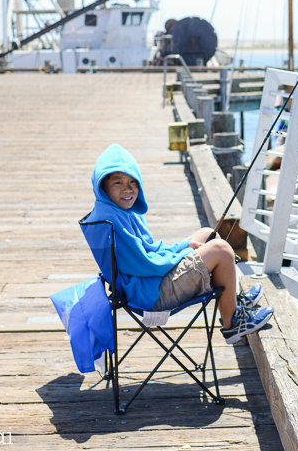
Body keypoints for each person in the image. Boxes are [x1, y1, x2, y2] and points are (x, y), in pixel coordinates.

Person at [88, 144, 273, 344]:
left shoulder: (119, 211)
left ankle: (233, 302)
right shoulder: (112, 220)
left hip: (147, 283)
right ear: (102, 185)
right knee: (221, 250)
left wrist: (182, 246)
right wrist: (182, 255)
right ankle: (233, 325)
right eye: (118, 182)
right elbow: (146, 263)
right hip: (150, 294)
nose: (128, 189)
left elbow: (149, 250)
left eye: (133, 181)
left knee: (207, 234)